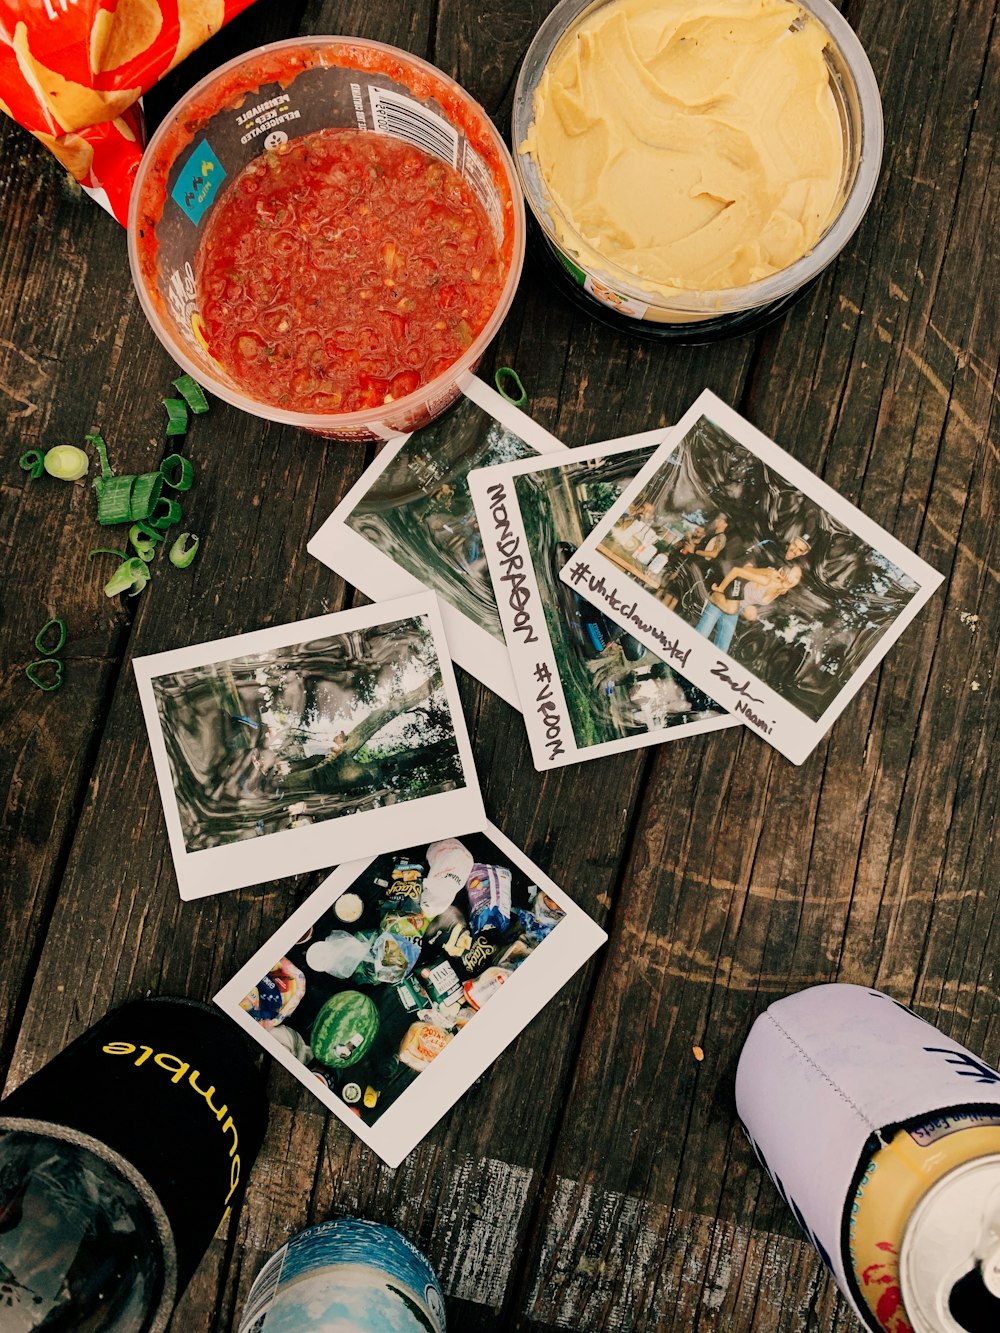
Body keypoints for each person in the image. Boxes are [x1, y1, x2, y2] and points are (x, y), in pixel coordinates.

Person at [695, 563, 802, 653]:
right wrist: (720, 589)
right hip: (728, 597)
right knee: (700, 637)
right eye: (791, 573)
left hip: (737, 608)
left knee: (722, 649)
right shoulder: (767, 580)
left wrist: (750, 610)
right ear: (782, 571)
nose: (792, 578)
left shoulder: (783, 591)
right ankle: (714, 596)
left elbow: (752, 599)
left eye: (796, 577)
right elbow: (737, 571)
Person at [661, 515, 728, 608]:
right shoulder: (713, 535)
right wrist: (691, 542)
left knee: (671, 596)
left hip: (695, 570)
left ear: (725, 524)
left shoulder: (721, 537)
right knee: (673, 596)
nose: (716, 520)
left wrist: (695, 551)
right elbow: (696, 549)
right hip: (691, 568)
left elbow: (714, 554)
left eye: (720, 520)